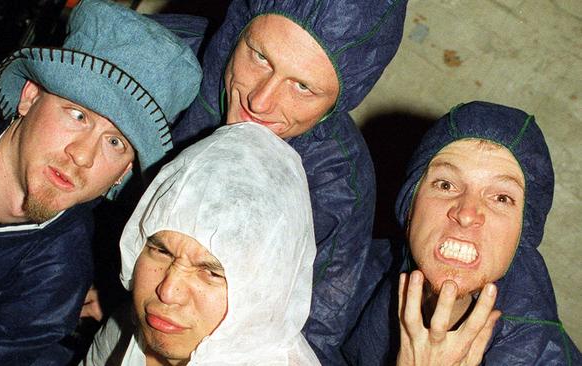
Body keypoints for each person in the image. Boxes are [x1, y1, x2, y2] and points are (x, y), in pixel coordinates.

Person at [0, 0, 202, 364]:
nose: (83, 156)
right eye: (78, 114)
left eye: (115, 142)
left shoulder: (57, 275)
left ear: (122, 173)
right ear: (30, 96)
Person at [168, 1, 409, 363]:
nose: (260, 101)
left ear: (339, 102)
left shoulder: (338, 186)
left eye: (302, 86)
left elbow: (309, 337)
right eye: (260, 58)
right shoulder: (161, 54)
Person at [342, 101, 582, 365]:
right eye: (445, 184)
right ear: (410, 203)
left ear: (523, 234)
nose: (467, 213)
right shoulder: (346, 272)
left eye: (501, 198)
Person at [81, 122, 319, 365]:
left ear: (263, 292)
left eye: (210, 272)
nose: (167, 291)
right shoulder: (125, 329)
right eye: (161, 251)